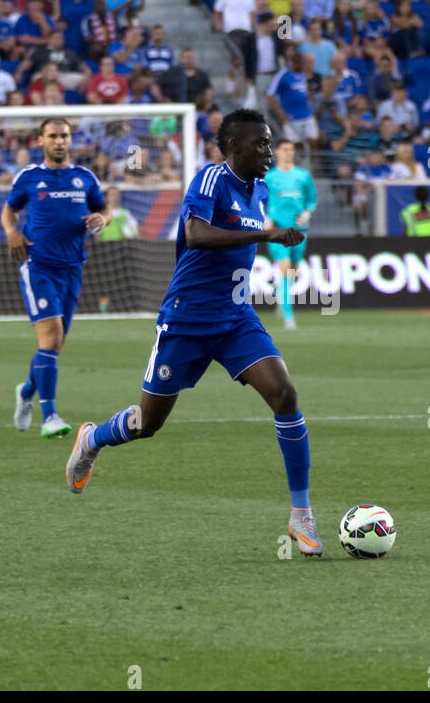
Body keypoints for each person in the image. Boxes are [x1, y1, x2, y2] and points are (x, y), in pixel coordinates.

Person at [63, 111, 319, 552]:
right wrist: (269, 233)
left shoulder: (259, 189)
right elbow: (197, 234)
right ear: (235, 146)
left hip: (236, 317)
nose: (269, 152)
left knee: (285, 395)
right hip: (187, 317)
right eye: (261, 144)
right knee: (147, 423)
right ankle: (93, 438)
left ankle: (302, 516)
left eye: (271, 143)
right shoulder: (210, 179)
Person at [4, 119, 112, 439]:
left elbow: (104, 209)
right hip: (38, 265)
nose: (59, 141)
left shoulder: (84, 178)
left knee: (55, 343)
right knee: (51, 339)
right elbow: (9, 210)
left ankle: (25, 392)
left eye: (64, 136)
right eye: (53, 136)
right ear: (41, 141)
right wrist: (11, 232)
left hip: (73, 268)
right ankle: (49, 415)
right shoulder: (29, 178)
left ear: (70, 140)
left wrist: (101, 219)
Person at [263, 139, 317, 330]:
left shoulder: (303, 176)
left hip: (299, 231)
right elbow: (260, 201)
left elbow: (312, 199)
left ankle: (281, 297)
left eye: (292, 149)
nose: (289, 153)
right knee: (285, 267)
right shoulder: (269, 177)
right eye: (285, 149)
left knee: (293, 269)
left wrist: (307, 212)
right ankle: (289, 317)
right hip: (277, 230)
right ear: (277, 151)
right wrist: (265, 217)